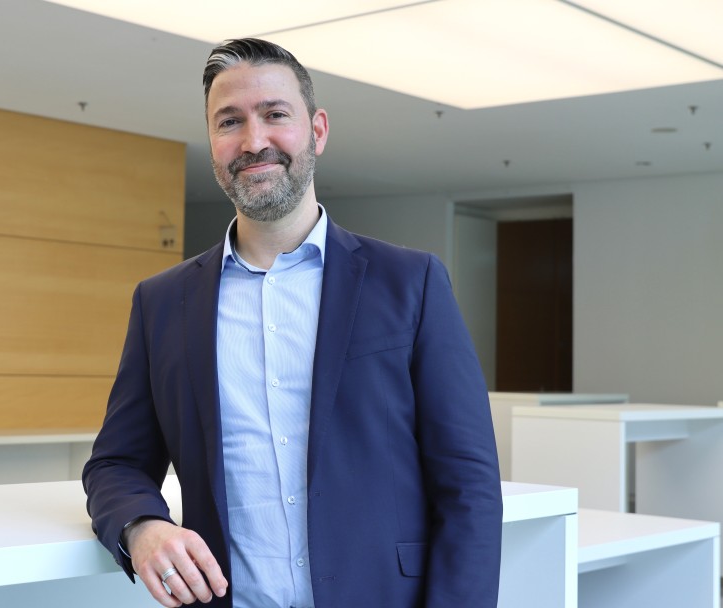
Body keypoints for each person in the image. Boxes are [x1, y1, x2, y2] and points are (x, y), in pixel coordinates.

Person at [83, 38, 502, 608]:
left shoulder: (411, 283)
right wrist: (142, 527)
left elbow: (469, 486)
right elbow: (116, 462)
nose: (253, 141)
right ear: (212, 144)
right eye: (230, 121)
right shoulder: (162, 302)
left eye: (275, 114)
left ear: (318, 130)